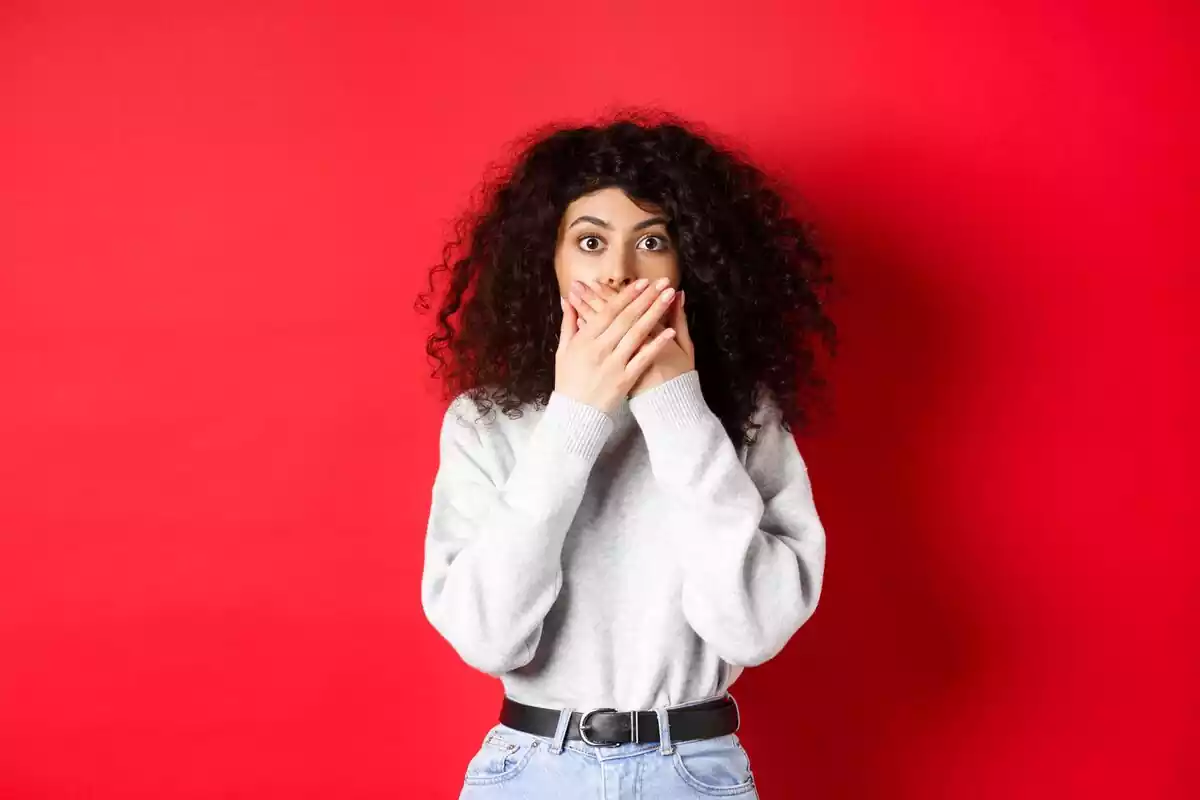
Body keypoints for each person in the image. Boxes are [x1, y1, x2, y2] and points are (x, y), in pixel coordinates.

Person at [417, 110, 837, 799]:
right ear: (548, 262)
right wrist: (575, 417)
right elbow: (488, 639)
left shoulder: (745, 420)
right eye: (589, 241)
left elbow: (754, 628)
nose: (617, 273)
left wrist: (676, 408)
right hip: (530, 772)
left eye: (651, 241)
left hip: (695, 771)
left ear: (688, 265)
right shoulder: (487, 424)